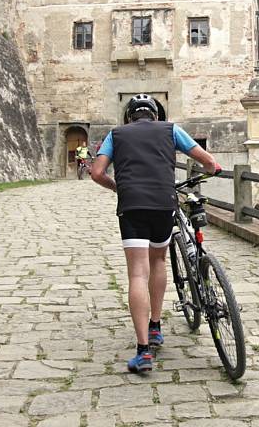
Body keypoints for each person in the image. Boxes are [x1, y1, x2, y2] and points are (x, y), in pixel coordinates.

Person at [90, 94, 220, 373]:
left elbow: (97, 172)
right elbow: (207, 160)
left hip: (132, 206)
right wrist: (212, 169)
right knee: (158, 261)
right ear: (155, 115)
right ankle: (156, 326)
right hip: (163, 204)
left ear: (129, 117)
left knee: (137, 273)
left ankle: (143, 352)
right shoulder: (171, 129)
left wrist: (118, 188)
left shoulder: (116, 134)